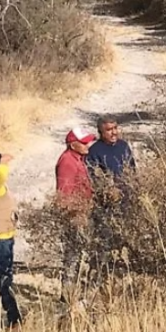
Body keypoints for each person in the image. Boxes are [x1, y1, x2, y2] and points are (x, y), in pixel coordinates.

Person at [55, 127, 97, 302]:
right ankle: (67, 295)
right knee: (72, 255)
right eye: (84, 142)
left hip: (82, 213)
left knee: (77, 255)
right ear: (73, 145)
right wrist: (75, 214)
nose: (88, 145)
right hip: (74, 216)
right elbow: (63, 194)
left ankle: (72, 293)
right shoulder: (67, 162)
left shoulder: (78, 159)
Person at [0, 157, 22, 331]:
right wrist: (0, 161)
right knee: (1, 280)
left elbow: (0, 173)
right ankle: (14, 320)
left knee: (1, 282)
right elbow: (1, 172)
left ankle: (14, 320)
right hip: (0, 240)